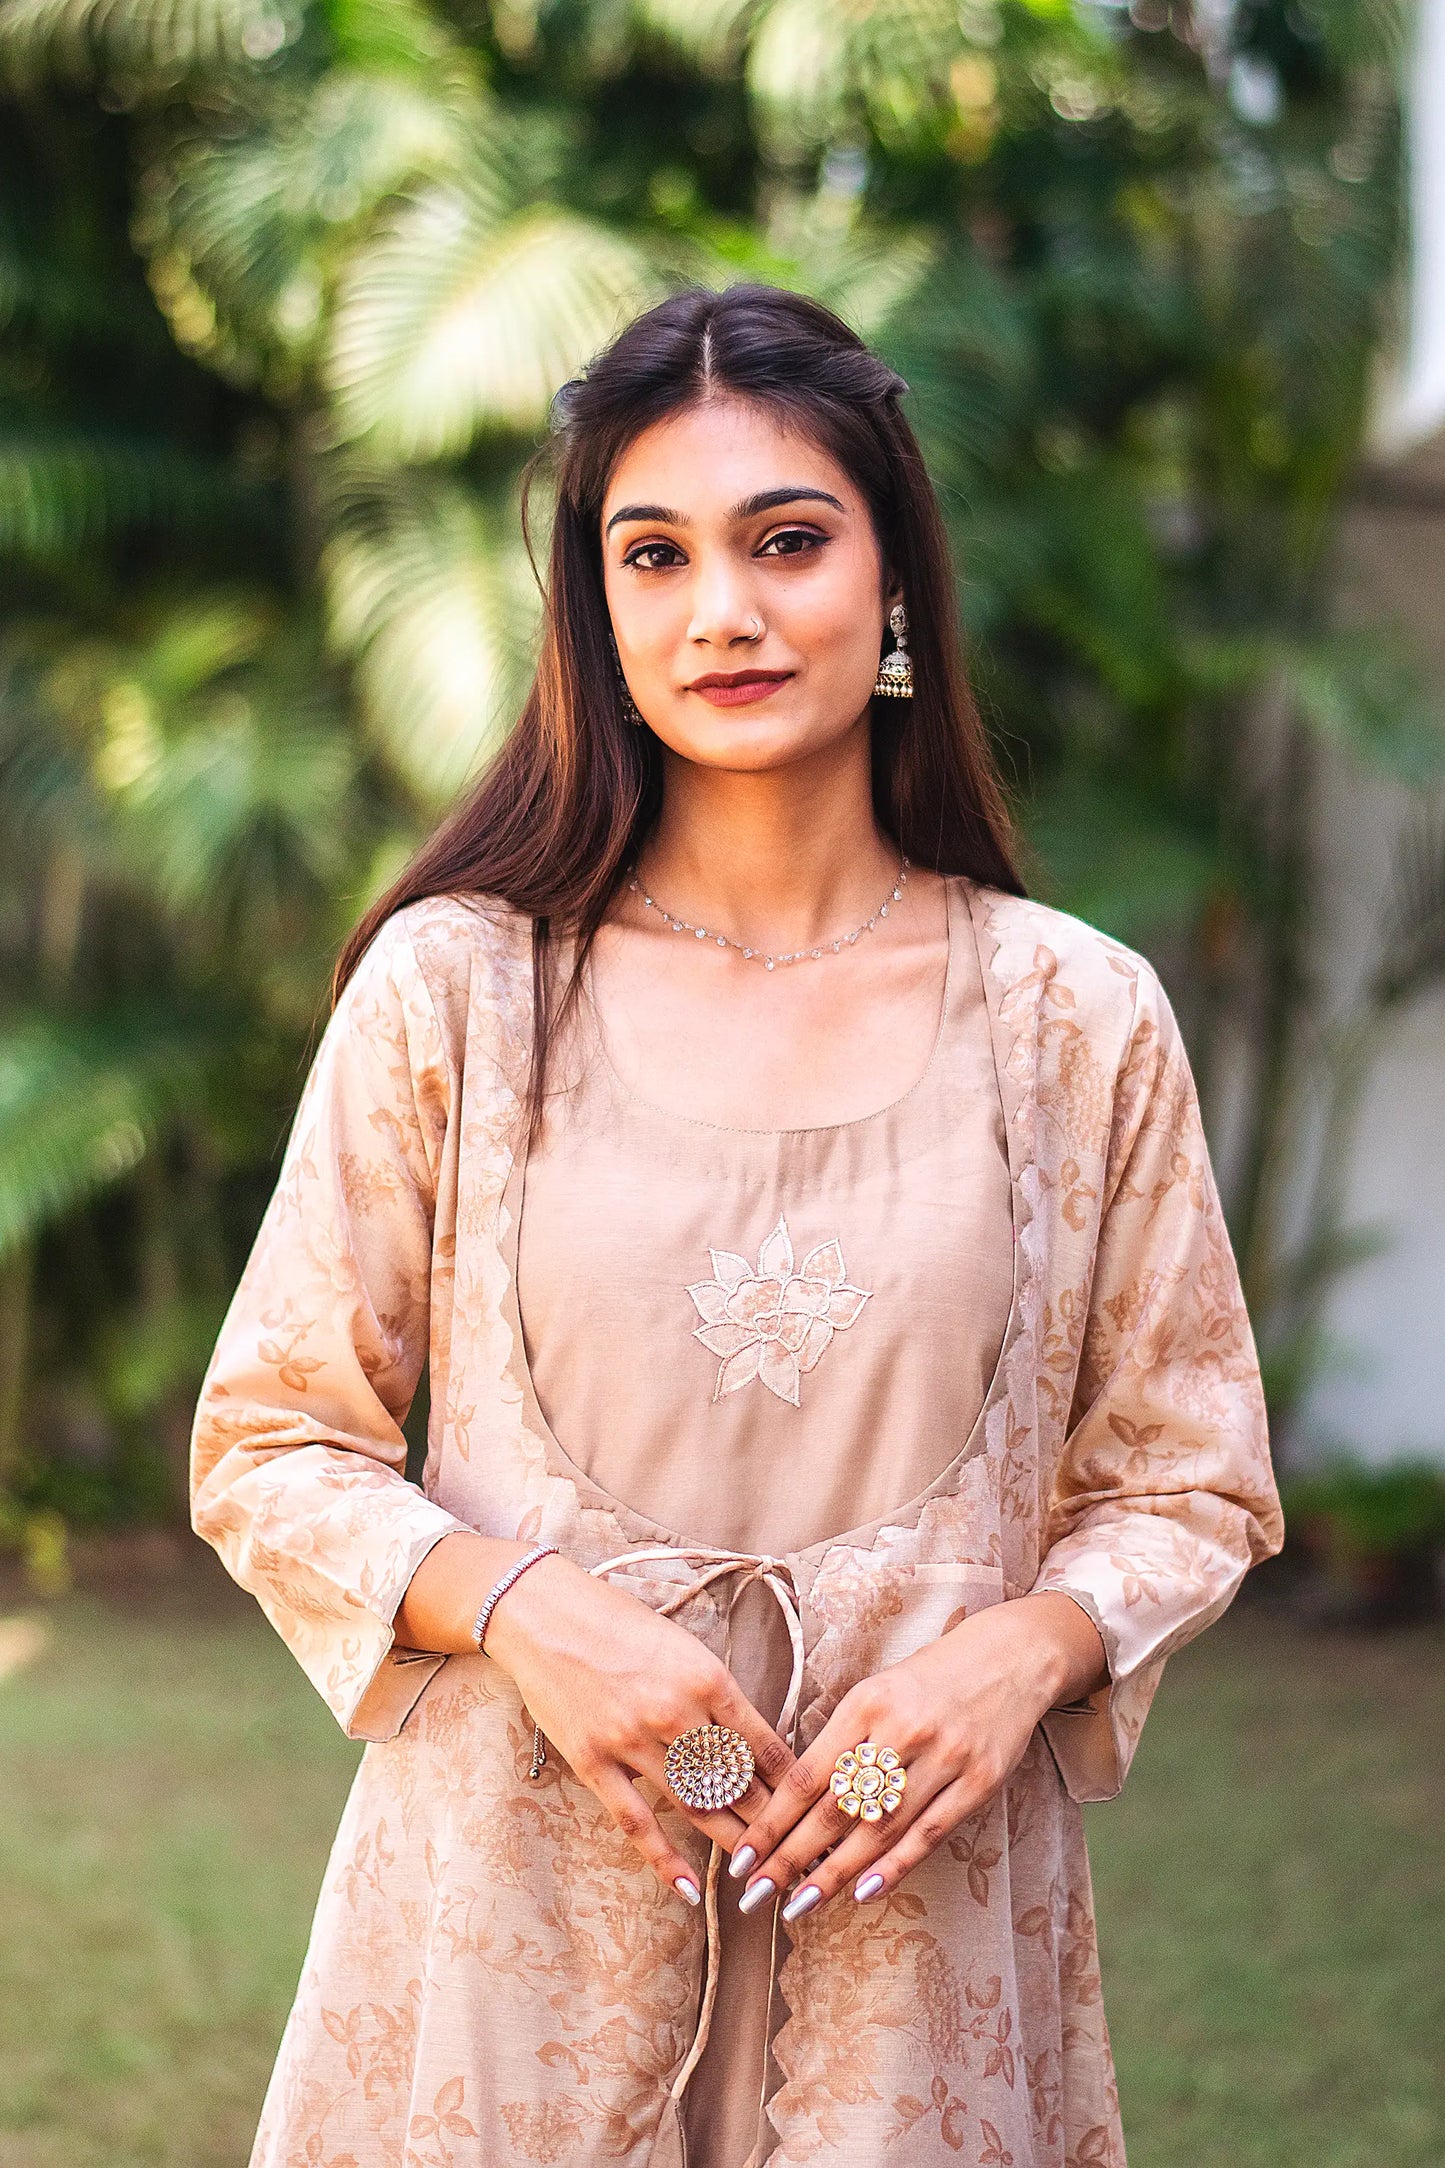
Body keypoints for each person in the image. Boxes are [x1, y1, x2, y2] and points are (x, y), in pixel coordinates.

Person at [189, 283, 1284, 2168]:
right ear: (595, 616)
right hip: (506, 1955)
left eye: (788, 540)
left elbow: (1189, 1478)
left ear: (893, 583)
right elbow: (270, 1440)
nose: (725, 610)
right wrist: (532, 1616)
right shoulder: (461, 995)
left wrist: (1016, 1655)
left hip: (916, 1973)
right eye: (654, 554)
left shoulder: (1072, 1016)